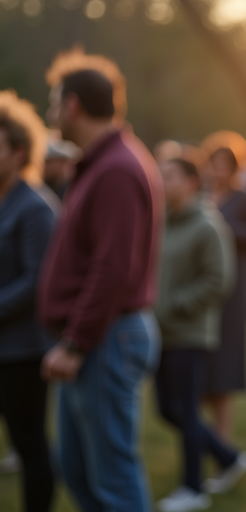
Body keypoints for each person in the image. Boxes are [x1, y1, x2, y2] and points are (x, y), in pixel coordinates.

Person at [38, 50, 163, 512]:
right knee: (79, 472)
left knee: (113, 479)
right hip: (97, 338)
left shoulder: (116, 169)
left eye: (54, 103)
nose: (50, 114)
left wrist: (74, 342)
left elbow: (114, 268)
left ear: (72, 106)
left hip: (105, 339)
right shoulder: (100, 162)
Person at [154, 157, 246, 512]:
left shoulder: (208, 225)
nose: (161, 181)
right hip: (161, 331)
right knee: (168, 410)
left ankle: (192, 489)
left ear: (192, 182)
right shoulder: (162, 220)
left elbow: (218, 279)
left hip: (190, 333)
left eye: (169, 175)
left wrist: (176, 304)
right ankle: (228, 457)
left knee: (185, 409)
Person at [0, 90, 56, 512]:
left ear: (19, 153)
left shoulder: (36, 207)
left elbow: (38, 280)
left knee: (29, 443)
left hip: (22, 350)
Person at [200, 131, 246, 444]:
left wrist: (230, 231)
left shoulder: (242, 197)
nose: (218, 170)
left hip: (232, 289)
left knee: (224, 368)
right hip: (204, 289)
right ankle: (206, 439)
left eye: (224, 164)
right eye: (214, 163)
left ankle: (223, 440)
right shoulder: (201, 196)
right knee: (201, 366)